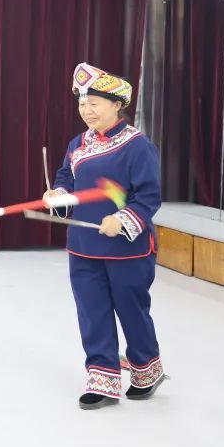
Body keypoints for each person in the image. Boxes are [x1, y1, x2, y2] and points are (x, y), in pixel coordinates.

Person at [45, 62, 166, 410]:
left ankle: (146, 369)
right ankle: (102, 378)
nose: (87, 110)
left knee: (132, 311)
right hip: (83, 245)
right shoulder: (78, 143)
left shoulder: (137, 145)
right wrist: (57, 194)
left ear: (117, 104)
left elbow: (148, 196)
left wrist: (121, 218)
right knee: (92, 311)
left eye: (94, 103)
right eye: (83, 104)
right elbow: (66, 178)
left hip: (127, 248)